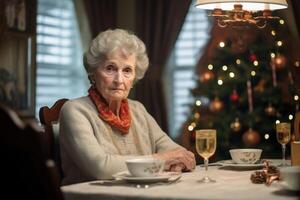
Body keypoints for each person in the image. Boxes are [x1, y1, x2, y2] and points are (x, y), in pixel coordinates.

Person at [59, 28, 196, 185]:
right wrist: (163, 160)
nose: (119, 79)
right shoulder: (75, 111)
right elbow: (101, 167)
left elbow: (177, 152)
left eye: (127, 70)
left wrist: (176, 160)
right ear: (93, 73)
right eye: (110, 68)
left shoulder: (138, 110)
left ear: (134, 77)